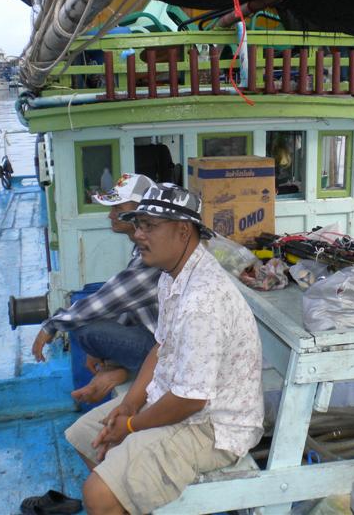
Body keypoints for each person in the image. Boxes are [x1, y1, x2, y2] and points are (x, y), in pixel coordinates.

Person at [65, 184, 264, 515]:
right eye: (138, 224)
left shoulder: (203, 300)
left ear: (183, 231)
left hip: (213, 425)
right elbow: (161, 346)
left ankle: (119, 497)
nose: (138, 235)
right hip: (176, 400)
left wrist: (130, 426)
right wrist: (129, 404)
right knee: (83, 435)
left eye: (150, 226)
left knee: (97, 495)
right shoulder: (172, 276)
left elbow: (191, 400)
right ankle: (129, 498)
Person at [31, 173, 160, 404]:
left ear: (142, 211)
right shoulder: (142, 247)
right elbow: (127, 305)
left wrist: (52, 324)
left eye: (118, 207)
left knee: (84, 328)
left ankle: (125, 370)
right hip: (153, 337)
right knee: (91, 323)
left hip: (163, 351)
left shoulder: (153, 257)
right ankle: (117, 368)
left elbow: (106, 301)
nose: (110, 215)